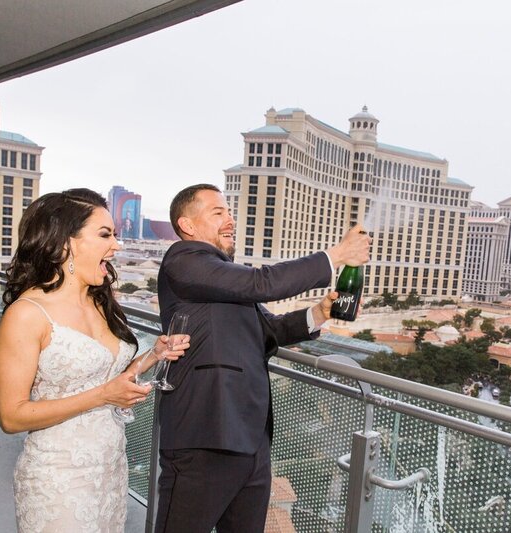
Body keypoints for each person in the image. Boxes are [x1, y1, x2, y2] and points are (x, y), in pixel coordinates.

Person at [155, 184, 371, 532]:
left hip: (249, 440)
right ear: (188, 226)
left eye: (229, 212)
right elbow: (262, 282)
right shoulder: (184, 260)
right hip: (204, 435)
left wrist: (319, 312)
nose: (231, 219)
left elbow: (269, 332)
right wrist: (337, 255)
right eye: (218, 212)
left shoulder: (223, 278)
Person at [0, 188, 190, 532]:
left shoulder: (99, 301)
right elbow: (11, 416)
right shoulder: (27, 314)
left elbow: (108, 376)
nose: (117, 245)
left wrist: (153, 356)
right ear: (65, 242)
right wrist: (103, 396)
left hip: (111, 470)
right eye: (105, 235)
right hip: (58, 480)